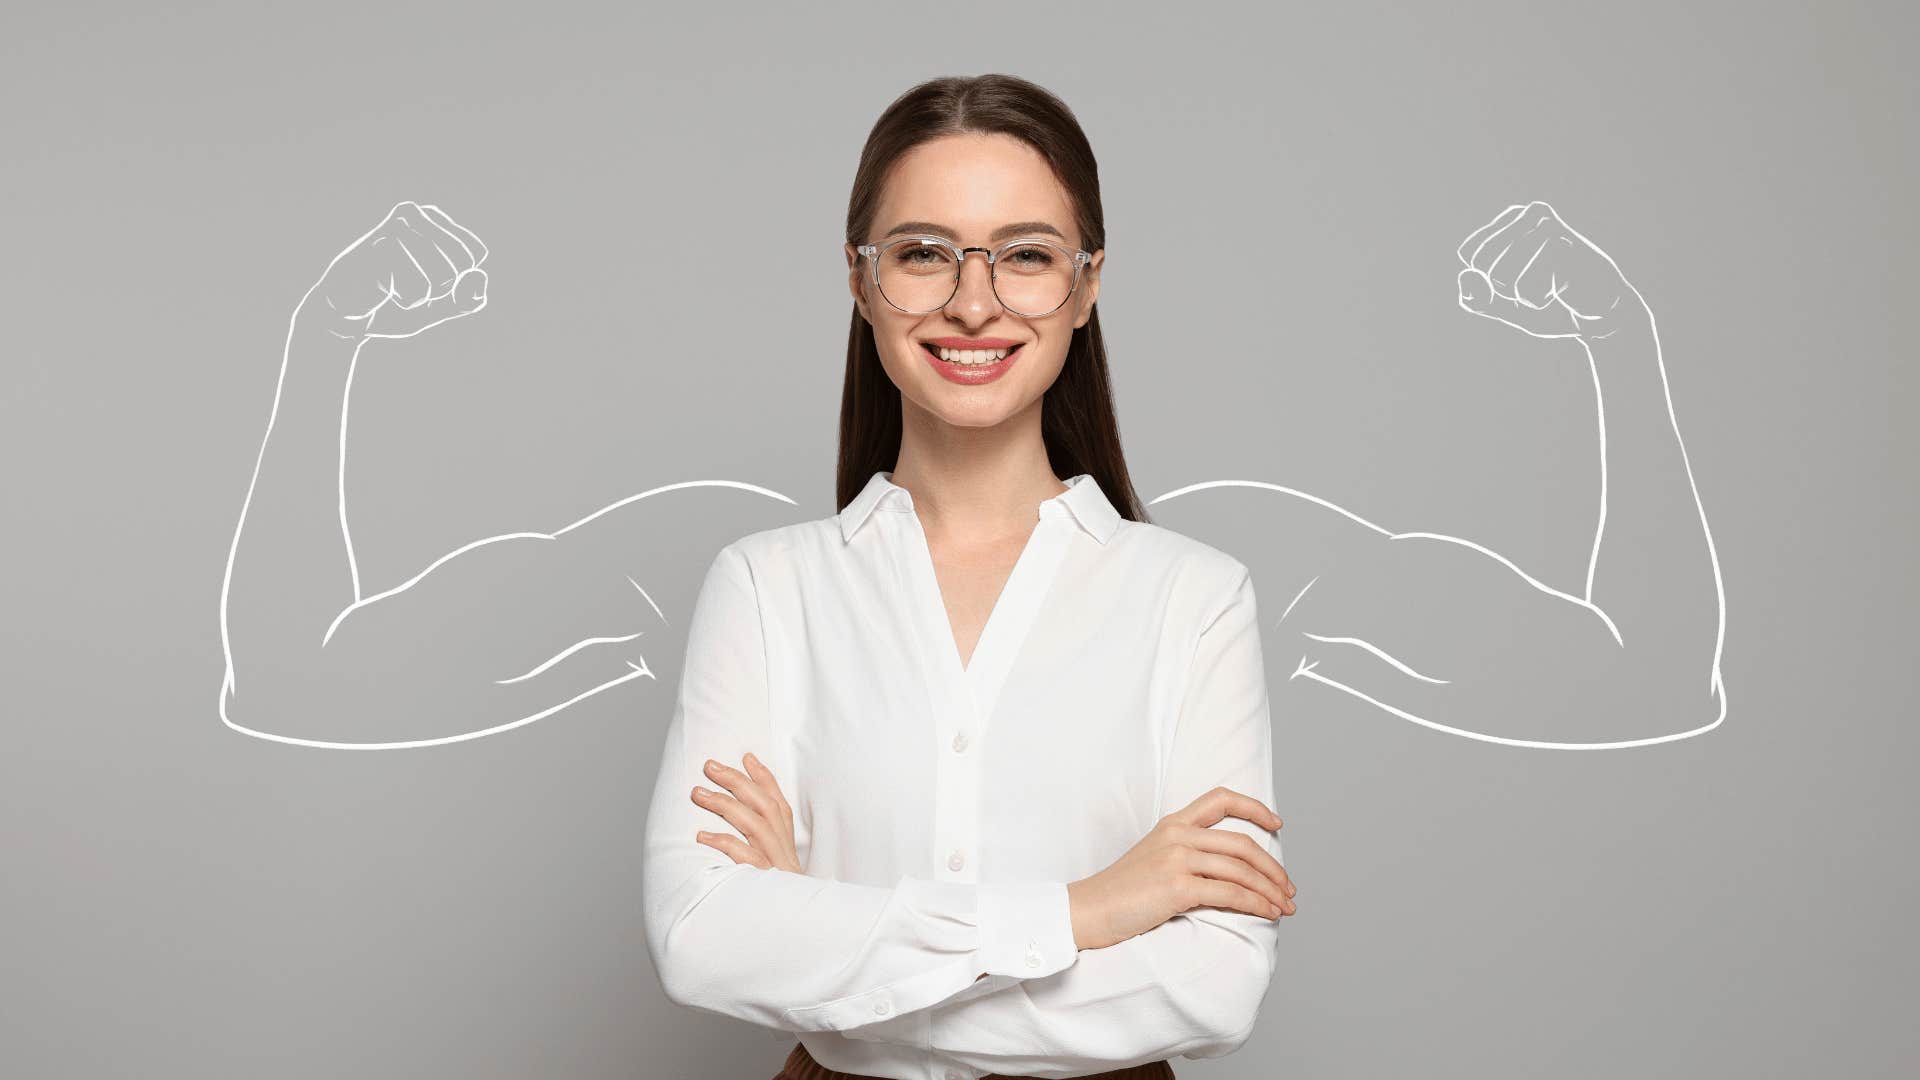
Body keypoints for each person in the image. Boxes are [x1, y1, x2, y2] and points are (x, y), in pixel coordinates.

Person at [640, 74, 1296, 1080]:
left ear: (1086, 285)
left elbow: (1212, 983)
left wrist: (833, 962)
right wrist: (1086, 912)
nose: (974, 302)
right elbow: (701, 938)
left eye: (1026, 256)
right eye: (921, 255)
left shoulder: (1194, 601)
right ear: (861, 282)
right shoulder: (768, 590)